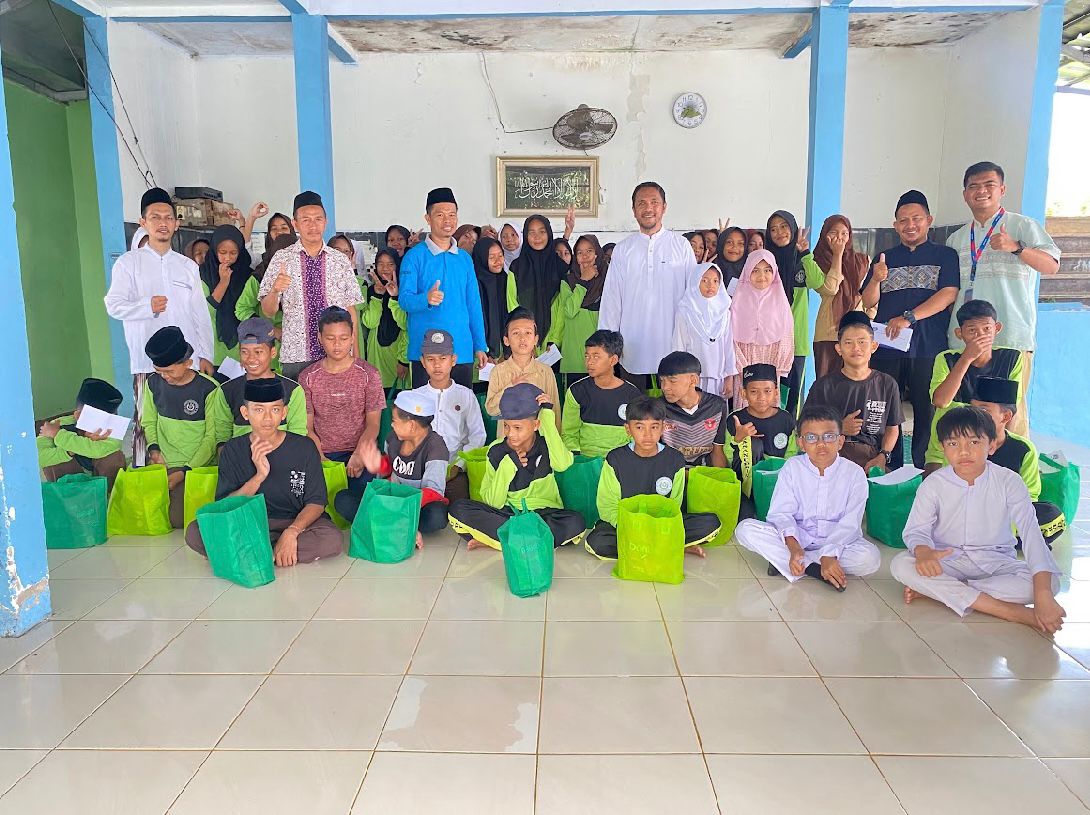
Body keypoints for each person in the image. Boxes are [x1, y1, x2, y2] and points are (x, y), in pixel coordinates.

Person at [890, 406, 1064, 631]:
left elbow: (1032, 536)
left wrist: (1042, 595)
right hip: (948, 560)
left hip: (995, 561)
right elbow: (916, 531)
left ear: (992, 445)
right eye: (953, 443)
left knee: (1051, 583)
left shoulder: (1009, 481)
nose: (964, 452)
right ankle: (1011, 612)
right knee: (901, 565)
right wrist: (923, 553)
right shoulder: (934, 483)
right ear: (943, 448)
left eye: (974, 442)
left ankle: (942, 592)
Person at [946, 161, 1060, 435]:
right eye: (974, 186)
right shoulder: (956, 239)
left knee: (1009, 415)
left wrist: (1017, 248)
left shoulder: (1022, 226)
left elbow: (1052, 265)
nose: (981, 191)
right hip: (965, 340)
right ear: (965, 194)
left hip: (1010, 338)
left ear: (1002, 190)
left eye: (989, 185)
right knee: (968, 412)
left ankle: (1014, 462)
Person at [105, 187, 215, 466]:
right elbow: (113, 305)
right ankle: (146, 476)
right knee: (146, 425)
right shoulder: (129, 264)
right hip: (147, 363)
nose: (163, 223)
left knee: (188, 422)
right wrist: (146, 306)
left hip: (186, 361)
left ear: (176, 223)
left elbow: (200, 314)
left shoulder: (187, 266)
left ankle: (185, 474)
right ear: (143, 222)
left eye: (168, 217)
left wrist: (205, 354)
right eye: (155, 217)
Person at [186, 377, 342, 567]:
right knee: (195, 532)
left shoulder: (304, 447)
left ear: (284, 412)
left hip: (295, 521)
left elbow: (317, 503)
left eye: (275, 409)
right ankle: (275, 552)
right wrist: (258, 477)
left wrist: (292, 532)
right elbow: (226, 504)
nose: (267, 418)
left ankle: (248, 552)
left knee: (331, 540)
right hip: (249, 523)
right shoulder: (233, 449)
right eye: (259, 410)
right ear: (245, 413)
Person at [861, 190, 960, 470]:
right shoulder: (884, 257)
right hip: (887, 345)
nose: (910, 225)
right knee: (885, 408)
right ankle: (888, 466)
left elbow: (949, 293)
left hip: (928, 345)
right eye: (903, 220)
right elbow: (868, 301)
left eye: (916, 218)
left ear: (929, 220)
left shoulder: (945, 255)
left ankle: (924, 468)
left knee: (926, 409)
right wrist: (876, 279)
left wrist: (909, 317)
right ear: (895, 225)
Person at [736, 404, 880, 589]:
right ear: (801, 443)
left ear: (840, 441)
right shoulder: (792, 467)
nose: (821, 444)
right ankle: (812, 567)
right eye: (811, 437)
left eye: (829, 436)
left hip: (837, 541)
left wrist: (830, 553)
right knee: (745, 530)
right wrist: (794, 547)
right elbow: (781, 514)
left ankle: (796, 563)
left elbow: (850, 524)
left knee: (870, 559)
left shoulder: (855, 474)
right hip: (799, 537)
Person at [448, 382, 585, 550]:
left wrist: (548, 417)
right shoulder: (496, 450)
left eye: (518, 427)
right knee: (458, 509)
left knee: (576, 521)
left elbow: (562, 464)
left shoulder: (547, 443)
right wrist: (507, 466)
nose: (511, 434)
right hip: (507, 513)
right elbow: (493, 502)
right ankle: (531, 541)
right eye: (506, 426)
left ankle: (502, 540)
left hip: (543, 514)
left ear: (536, 425)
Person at [585, 395, 720, 559]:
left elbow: (674, 504)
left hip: (662, 524)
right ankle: (669, 545)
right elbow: (607, 505)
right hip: (628, 524)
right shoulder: (615, 459)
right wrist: (633, 526)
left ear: (663, 428)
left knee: (710, 522)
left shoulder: (675, 459)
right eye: (639, 427)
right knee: (597, 541)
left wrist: (656, 526)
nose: (647, 435)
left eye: (654, 427)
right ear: (628, 429)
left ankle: (642, 548)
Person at [599, 182, 696, 388]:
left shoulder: (681, 246)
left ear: (664, 207)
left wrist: (692, 341)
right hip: (632, 347)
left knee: (673, 404)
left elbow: (693, 297)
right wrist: (608, 345)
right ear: (634, 210)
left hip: (673, 344)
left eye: (654, 202)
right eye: (641, 203)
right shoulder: (623, 249)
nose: (648, 208)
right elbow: (612, 299)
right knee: (634, 405)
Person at [258, 191, 363, 380]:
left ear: (325, 222)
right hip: (297, 355)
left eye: (318, 219)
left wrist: (355, 353)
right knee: (299, 400)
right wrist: (274, 290)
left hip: (337, 354)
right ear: (295, 223)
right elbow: (268, 311)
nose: (313, 225)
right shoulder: (282, 258)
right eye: (305, 220)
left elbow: (350, 309)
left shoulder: (340, 260)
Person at [333, 388, 452, 545]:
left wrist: (399, 508)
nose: (392, 424)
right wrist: (378, 464)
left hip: (415, 505)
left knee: (437, 516)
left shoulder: (436, 447)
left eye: (395, 420)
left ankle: (388, 525)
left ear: (411, 425)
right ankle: (402, 528)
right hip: (390, 500)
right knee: (343, 499)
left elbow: (434, 491)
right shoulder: (393, 439)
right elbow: (390, 468)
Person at [398, 187, 488, 388]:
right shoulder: (414, 257)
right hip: (426, 353)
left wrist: (480, 345)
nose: (447, 220)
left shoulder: (464, 259)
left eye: (452, 215)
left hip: (460, 349)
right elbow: (404, 300)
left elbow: (473, 305)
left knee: (460, 405)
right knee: (425, 407)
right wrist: (425, 299)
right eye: (440, 215)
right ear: (428, 218)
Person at [924, 299, 1022, 473]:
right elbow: (941, 401)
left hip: (991, 442)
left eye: (987, 329)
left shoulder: (1011, 359)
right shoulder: (946, 359)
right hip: (947, 445)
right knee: (937, 482)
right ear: (959, 333)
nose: (980, 336)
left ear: (997, 328)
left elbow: (1008, 411)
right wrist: (966, 358)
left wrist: (1003, 446)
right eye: (972, 331)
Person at [140, 326, 221, 528]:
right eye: (159, 371)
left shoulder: (209, 388)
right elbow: (149, 421)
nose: (164, 377)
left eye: (169, 371)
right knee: (148, 513)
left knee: (180, 520)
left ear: (188, 363)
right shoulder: (152, 384)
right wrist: (154, 451)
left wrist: (185, 470)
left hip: (197, 465)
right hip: (166, 463)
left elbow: (212, 437)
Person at [969, 376, 1066, 544]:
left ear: (1005, 416)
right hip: (968, 511)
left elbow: (1029, 495)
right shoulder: (961, 443)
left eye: (984, 410)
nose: (974, 416)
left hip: (1006, 514)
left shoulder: (1023, 449)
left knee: (1052, 515)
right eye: (972, 409)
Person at [299, 307, 385, 491]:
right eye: (330, 338)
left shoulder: (369, 374)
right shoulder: (308, 377)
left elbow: (373, 424)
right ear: (320, 338)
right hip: (323, 452)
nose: (337, 345)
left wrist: (359, 454)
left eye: (343, 338)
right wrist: (320, 458)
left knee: (360, 497)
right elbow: (307, 427)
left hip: (360, 450)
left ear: (353, 337)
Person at [804, 312, 902, 471]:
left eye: (862, 342)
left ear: (873, 346)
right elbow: (806, 428)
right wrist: (838, 429)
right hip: (831, 456)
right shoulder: (823, 386)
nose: (856, 348)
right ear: (839, 349)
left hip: (872, 458)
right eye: (848, 342)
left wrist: (883, 456)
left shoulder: (887, 384)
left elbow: (892, 427)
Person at [415, 329, 486, 502]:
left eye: (443, 358)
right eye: (431, 359)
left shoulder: (466, 395)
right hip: (421, 470)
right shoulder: (415, 397)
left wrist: (459, 466)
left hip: (455, 470)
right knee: (420, 506)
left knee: (459, 506)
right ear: (423, 362)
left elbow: (477, 435)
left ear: (453, 360)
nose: (437, 365)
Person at [766, 210, 824, 415]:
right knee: (770, 392)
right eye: (773, 229)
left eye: (784, 227)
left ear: (792, 229)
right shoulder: (765, 263)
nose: (779, 233)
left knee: (792, 397)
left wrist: (805, 254)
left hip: (796, 342)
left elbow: (817, 282)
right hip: (770, 341)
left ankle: (790, 432)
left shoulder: (802, 261)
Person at [209, 318, 307, 441]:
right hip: (240, 454)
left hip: (284, 454)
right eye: (245, 352)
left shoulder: (292, 390)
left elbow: (298, 437)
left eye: (258, 352)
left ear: (273, 352)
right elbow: (222, 438)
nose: (251, 358)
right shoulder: (226, 391)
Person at [562, 330, 642, 458]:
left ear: (613, 360)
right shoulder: (576, 391)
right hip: (586, 460)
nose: (589, 362)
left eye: (596, 356)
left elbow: (637, 435)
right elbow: (569, 433)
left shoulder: (633, 395)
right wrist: (578, 459)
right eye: (587, 356)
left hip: (621, 461)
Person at [37, 378, 126, 490]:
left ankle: (112, 496)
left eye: (110, 419)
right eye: (99, 418)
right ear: (78, 415)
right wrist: (69, 450)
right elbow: (38, 457)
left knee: (114, 456)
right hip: (69, 490)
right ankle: (70, 498)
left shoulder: (111, 428)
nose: (105, 425)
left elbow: (98, 450)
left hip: (101, 487)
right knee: (53, 460)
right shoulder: (56, 425)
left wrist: (59, 436)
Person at [730, 249, 794, 404]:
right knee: (745, 408)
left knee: (769, 409)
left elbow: (787, 335)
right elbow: (730, 338)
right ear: (747, 272)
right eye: (755, 270)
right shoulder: (737, 301)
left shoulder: (781, 301)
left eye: (767, 270)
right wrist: (742, 367)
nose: (762, 276)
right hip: (744, 366)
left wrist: (779, 367)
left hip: (771, 364)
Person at [812, 215, 871, 379]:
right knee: (827, 383)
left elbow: (869, 295)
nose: (839, 238)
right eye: (833, 233)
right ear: (825, 235)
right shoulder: (817, 261)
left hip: (857, 331)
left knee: (856, 381)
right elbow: (831, 288)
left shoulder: (862, 261)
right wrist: (837, 256)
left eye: (844, 233)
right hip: (828, 332)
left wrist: (869, 318)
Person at [726, 364, 797, 500]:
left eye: (767, 391)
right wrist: (738, 439)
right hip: (745, 482)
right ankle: (747, 498)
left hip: (775, 481)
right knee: (754, 444)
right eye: (754, 391)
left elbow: (791, 454)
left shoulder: (786, 419)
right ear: (743, 393)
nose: (761, 397)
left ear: (776, 392)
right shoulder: (735, 420)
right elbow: (728, 457)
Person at [485, 308, 562, 433]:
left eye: (528, 333)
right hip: (508, 439)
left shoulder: (545, 371)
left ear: (535, 339)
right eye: (516, 333)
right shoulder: (498, 371)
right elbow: (491, 409)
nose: (522, 338)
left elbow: (555, 413)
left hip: (538, 438)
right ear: (506, 340)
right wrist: (511, 387)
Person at [673, 262, 736, 398]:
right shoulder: (684, 311)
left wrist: (729, 377)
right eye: (704, 280)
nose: (710, 285)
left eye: (715, 281)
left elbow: (728, 346)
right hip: (692, 378)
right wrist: (680, 376)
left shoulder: (724, 313)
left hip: (718, 378)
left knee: (715, 409)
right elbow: (679, 345)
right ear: (695, 281)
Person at [553, 234, 608, 389]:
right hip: (575, 356)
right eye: (579, 252)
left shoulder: (608, 279)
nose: (585, 256)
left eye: (589, 251)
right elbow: (570, 310)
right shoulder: (568, 280)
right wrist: (583, 281)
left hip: (601, 356)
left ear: (597, 253)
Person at [657, 351, 728, 468]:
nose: (664, 387)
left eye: (672, 381)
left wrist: (721, 477)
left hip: (703, 472)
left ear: (693, 380)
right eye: (662, 380)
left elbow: (717, 451)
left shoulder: (716, 406)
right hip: (671, 472)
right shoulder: (658, 408)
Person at [510, 214, 569, 352]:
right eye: (532, 233)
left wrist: (554, 340)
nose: (537, 237)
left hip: (554, 345)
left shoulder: (561, 268)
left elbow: (563, 305)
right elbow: (512, 304)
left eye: (542, 232)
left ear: (549, 233)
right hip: (525, 344)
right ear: (525, 236)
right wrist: (526, 338)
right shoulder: (516, 268)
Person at [198, 225, 253, 369]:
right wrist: (223, 283)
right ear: (214, 250)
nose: (227, 258)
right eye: (222, 252)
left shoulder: (248, 275)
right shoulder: (203, 274)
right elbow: (204, 312)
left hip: (244, 348)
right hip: (212, 348)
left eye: (233, 253)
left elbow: (251, 310)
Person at [363, 248, 409, 388]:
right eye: (381, 264)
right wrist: (378, 296)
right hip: (376, 357)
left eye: (390, 264)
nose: (385, 268)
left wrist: (394, 297)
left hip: (397, 356)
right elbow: (370, 323)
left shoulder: (405, 291)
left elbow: (406, 325)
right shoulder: (370, 290)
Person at [472, 236, 518, 365]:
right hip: (480, 353)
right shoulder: (474, 283)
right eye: (491, 257)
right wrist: (486, 350)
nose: (498, 261)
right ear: (481, 258)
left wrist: (508, 350)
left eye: (500, 255)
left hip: (505, 352)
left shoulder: (505, 279)